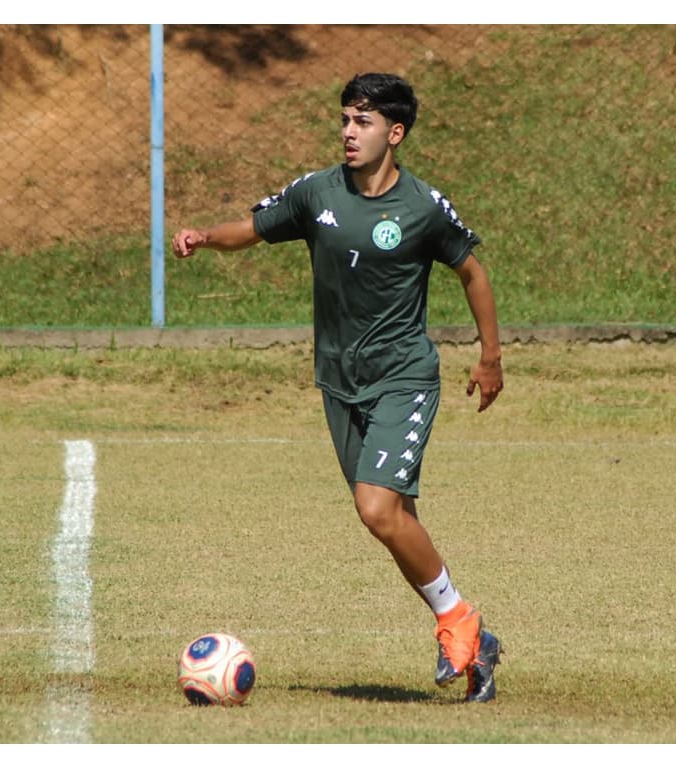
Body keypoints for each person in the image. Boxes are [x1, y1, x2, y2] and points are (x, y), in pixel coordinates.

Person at [172, 72, 504, 703]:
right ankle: (473, 639)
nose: (350, 132)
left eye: (364, 122)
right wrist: (206, 237)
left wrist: (490, 358)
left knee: (377, 507)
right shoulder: (317, 192)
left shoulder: (422, 208)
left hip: (403, 375)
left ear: (395, 133)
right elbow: (257, 225)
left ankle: (458, 622)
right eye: (346, 120)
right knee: (391, 518)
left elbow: (472, 272)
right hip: (339, 381)